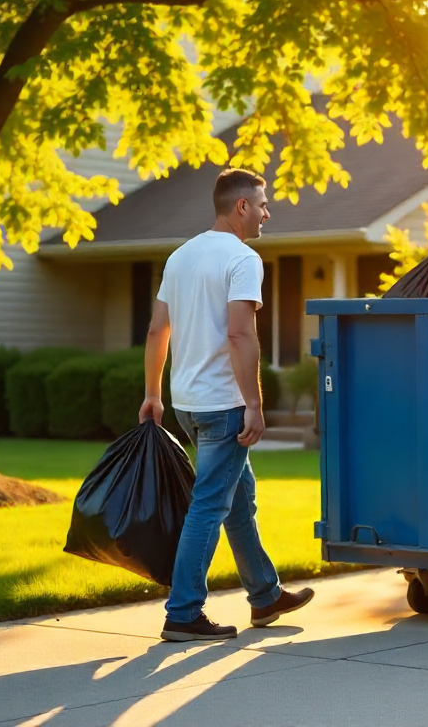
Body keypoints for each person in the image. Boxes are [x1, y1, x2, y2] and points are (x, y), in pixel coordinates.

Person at [140, 168, 314, 642]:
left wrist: (153, 393)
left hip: (187, 403)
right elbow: (241, 334)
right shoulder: (242, 259)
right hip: (224, 405)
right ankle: (183, 613)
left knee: (239, 500)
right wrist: (254, 405)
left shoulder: (180, 257)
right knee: (210, 505)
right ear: (241, 207)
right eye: (262, 204)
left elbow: (158, 331)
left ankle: (265, 594)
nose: (266, 212)